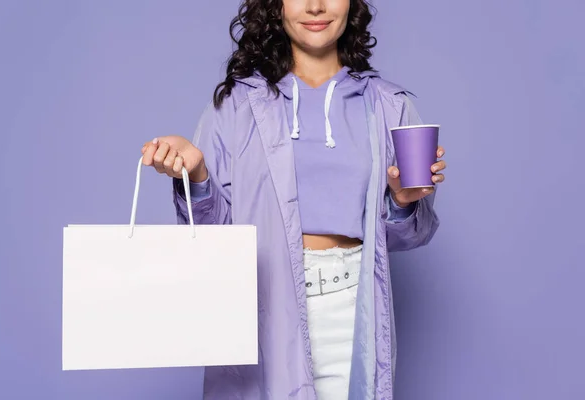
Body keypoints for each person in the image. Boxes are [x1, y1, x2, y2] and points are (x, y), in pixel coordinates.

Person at [141, 0, 446, 398]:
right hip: (265, 306)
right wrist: (196, 175)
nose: (316, 6)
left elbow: (409, 237)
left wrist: (402, 202)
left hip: (354, 311)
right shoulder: (236, 106)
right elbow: (214, 238)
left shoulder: (389, 105)